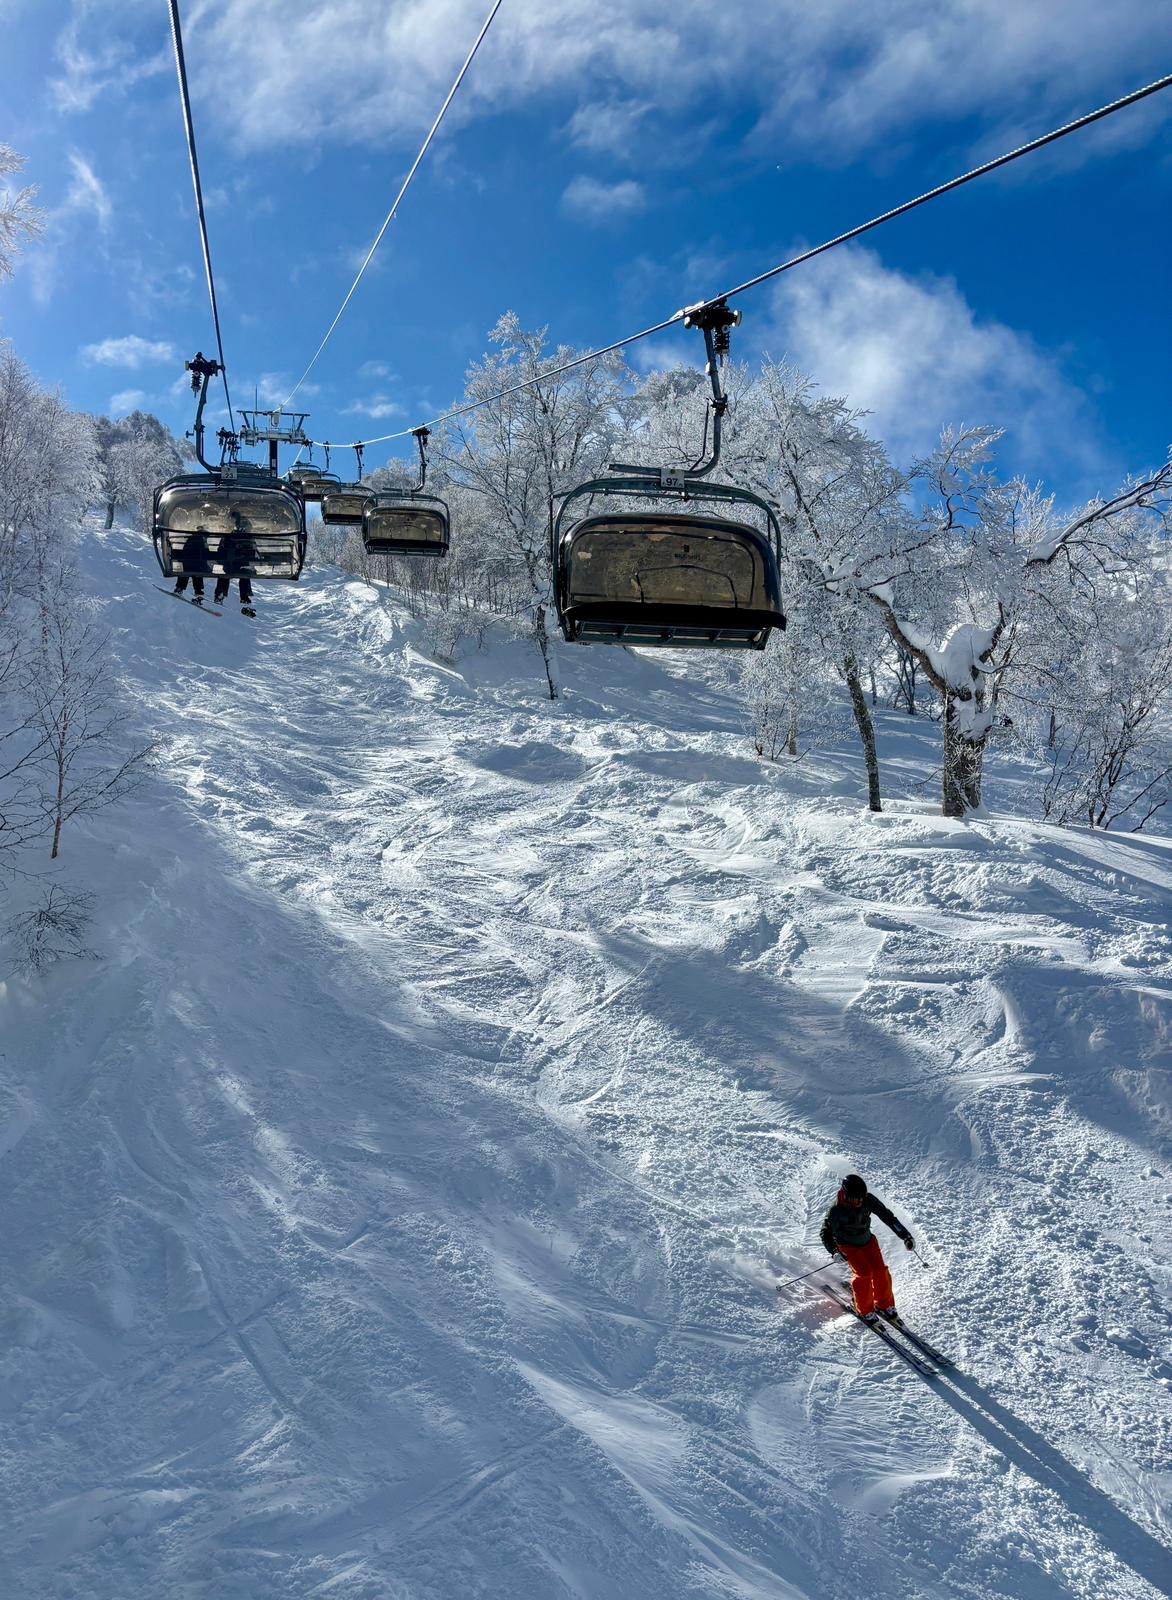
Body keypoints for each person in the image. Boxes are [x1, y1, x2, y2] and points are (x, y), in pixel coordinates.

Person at [820, 1173, 914, 1324]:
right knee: (864, 1273)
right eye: (854, 1198)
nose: (858, 1202)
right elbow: (825, 1232)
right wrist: (835, 1252)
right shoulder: (836, 1210)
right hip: (848, 1246)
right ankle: (865, 1311)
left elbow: (888, 1217)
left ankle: (885, 1304)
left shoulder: (868, 1200)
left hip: (868, 1241)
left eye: (860, 1198)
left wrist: (906, 1236)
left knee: (880, 1270)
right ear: (845, 1194)